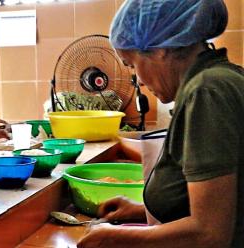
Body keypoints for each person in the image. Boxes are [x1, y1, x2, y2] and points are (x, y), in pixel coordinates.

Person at [78, 0, 244, 247]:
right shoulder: (221, 78)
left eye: (133, 65)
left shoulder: (207, 91)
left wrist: (117, 238)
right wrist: (138, 210)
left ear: (159, 50)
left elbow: (209, 233)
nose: (140, 82)